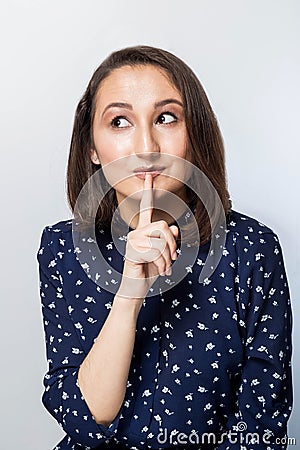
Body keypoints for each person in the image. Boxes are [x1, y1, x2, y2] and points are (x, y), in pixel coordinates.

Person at [36, 46, 293, 450]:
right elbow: (85, 418)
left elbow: (261, 421)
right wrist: (129, 291)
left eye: (166, 118)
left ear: (195, 135)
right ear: (92, 149)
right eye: (119, 121)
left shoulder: (251, 249)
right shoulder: (64, 250)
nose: (146, 143)